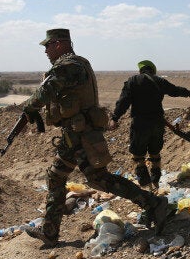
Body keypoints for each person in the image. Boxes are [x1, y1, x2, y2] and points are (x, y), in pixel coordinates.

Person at [22, 29, 168, 247]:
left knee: (99, 179)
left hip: (81, 135)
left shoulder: (69, 66)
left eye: (48, 45)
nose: (45, 50)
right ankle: (49, 231)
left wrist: (29, 107)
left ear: (60, 44)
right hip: (75, 134)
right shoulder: (75, 63)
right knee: (58, 176)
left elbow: (46, 92)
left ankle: (154, 204)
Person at [108, 60, 190, 190]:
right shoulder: (159, 81)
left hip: (140, 125)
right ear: (152, 70)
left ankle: (146, 187)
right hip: (157, 124)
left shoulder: (132, 81)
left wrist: (115, 118)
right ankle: (155, 183)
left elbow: (123, 102)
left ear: (140, 71)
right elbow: (174, 90)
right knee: (155, 154)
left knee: (138, 157)